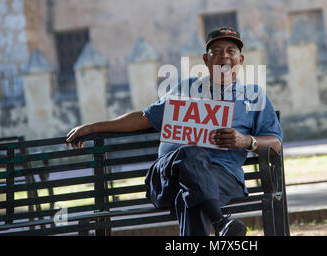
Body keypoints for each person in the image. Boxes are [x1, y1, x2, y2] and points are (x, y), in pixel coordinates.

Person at [66, 27, 283, 236]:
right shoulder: (185, 89)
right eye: (216, 52)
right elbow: (144, 118)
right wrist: (92, 127)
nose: (223, 56)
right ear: (206, 60)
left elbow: (275, 144)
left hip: (222, 177)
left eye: (230, 51)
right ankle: (221, 222)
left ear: (241, 60)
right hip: (167, 178)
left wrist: (246, 140)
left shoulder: (254, 96)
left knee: (190, 197)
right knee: (191, 153)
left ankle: (220, 222)